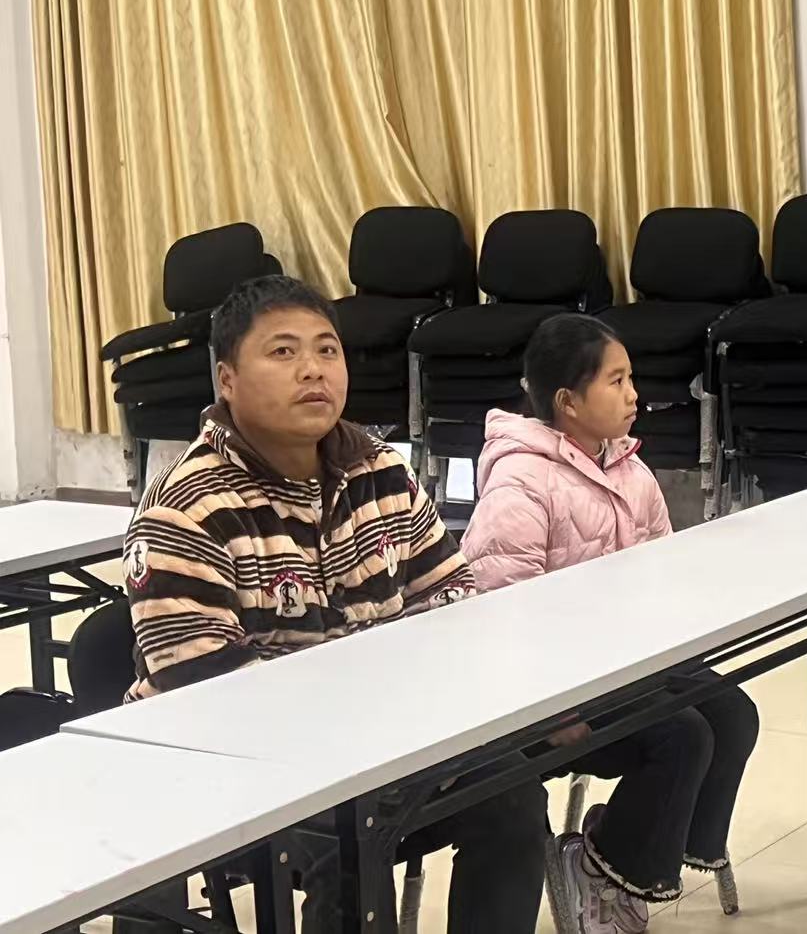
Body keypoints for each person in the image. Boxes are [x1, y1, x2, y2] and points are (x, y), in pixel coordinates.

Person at [123, 275, 547, 934]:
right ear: (227, 379)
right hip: (232, 762)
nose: (313, 370)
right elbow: (208, 696)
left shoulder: (380, 470)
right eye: (283, 352)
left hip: (376, 740)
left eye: (327, 350)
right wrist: (370, 722)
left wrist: (412, 712)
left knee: (511, 791)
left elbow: (453, 599)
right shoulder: (187, 508)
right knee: (346, 835)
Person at [462, 313, 759, 934]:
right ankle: (610, 867)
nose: (633, 395)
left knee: (732, 712)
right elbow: (495, 615)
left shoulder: (631, 469)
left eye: (631, 379)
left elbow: (661, 575)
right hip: (547, 694)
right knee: (683, 736)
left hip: (620, 668)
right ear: (567, 402)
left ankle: (619, 858)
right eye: (616, 381)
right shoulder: (520, 481)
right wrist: (553, 709)